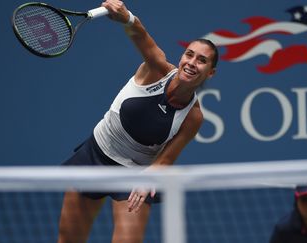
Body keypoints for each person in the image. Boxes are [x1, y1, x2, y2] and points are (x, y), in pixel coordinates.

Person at [57, 0, 218, 242]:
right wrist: (127, 17)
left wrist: (148, 179)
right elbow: (140, 35)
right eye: (189, 54)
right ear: (182, 56)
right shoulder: (156, 68)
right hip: (96, 154)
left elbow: (165, 160)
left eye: (202, 61)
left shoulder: (193, 117)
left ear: (210, 72)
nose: (192, 63)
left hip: (135, 173)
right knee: (69, 239)